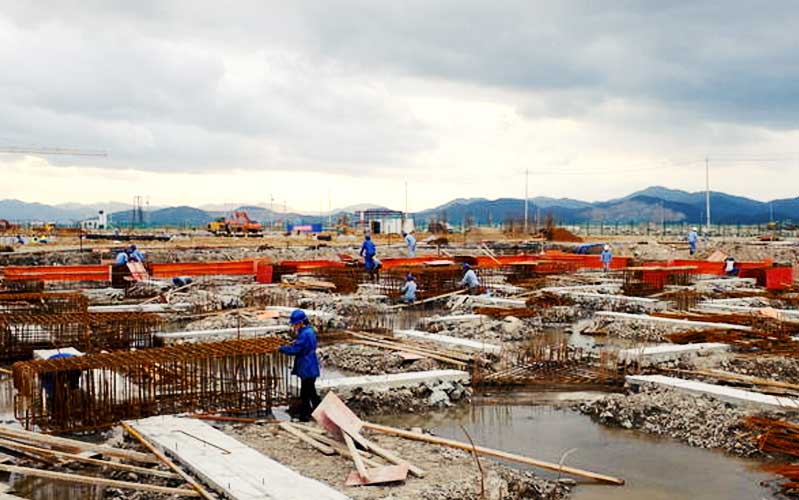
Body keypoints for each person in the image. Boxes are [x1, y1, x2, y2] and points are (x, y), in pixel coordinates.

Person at [278, 309, 321, 422]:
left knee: (306, 393)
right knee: (310, 392)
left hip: (307, 366)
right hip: (310, 365)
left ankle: (305, 416)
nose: (294, 326)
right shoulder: (308, 331)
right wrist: (295, 342)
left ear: (301, 322)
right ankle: (317, 412)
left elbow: (296, 349)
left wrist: (282, 349)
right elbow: (301, 345)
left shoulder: (305, 334)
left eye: (295, 324)